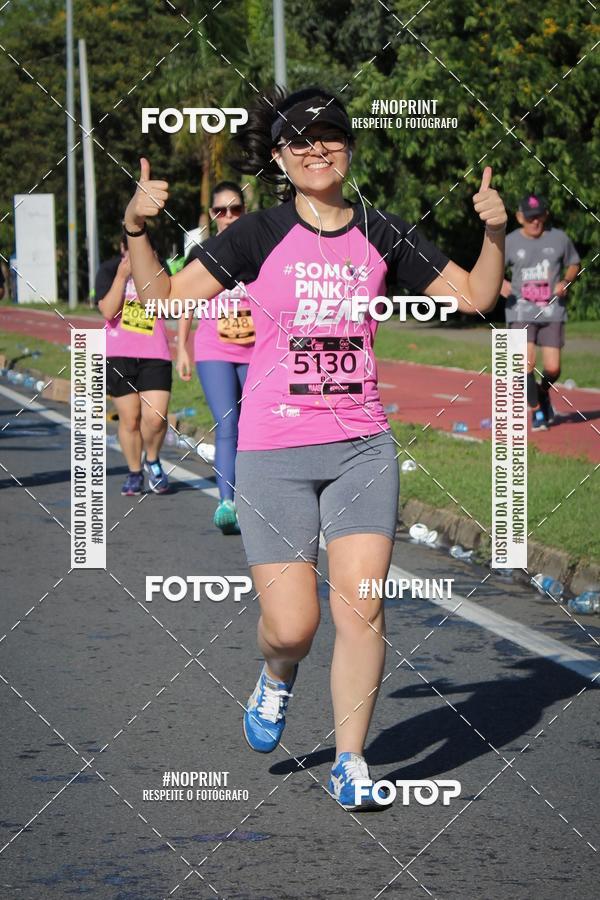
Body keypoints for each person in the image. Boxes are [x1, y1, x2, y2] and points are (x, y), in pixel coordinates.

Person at [123, 87, 506, 810]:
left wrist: (492, 234)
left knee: (361, 605)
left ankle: (351, 759)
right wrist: (137, 228)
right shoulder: (256, 234)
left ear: (349, 145)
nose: (316, 147)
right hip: (274, 452)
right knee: (292, 626)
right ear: (279, 157)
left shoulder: (379, 230)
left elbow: (475, 298)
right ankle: (276, 675)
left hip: (361, 446)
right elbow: (166, 298)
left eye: (330, 134)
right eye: (299, 139)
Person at [177, 182, 253, 534]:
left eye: (235, 209)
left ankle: (253, 498)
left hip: (257, 351)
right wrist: (181, 348)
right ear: (212, 215)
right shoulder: (202, 254)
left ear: (244, 211)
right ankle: (227, 502)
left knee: (255, 428)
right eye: (221, 211)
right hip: (214, 349)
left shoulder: (261, 251)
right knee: (227, 423)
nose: (229, 217)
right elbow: (186, 303)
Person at [95, 232, 172, 495]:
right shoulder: (108, 269)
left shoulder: (159, 269)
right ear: (122, 248)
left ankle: (152, 459)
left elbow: (170, 305)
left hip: (155, 352)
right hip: (119, 353)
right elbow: (107, 310)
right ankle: (134, 471)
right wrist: (122, 275)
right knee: (129, 419)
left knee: (156, 418)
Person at [501, 194, 581, 429]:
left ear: (545, 215)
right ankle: (536, 411)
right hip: (520, 310)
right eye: (529, 218)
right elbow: (492, 268)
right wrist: (500, 285)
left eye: (538, 217)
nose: (535, 222)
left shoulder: (559, 238)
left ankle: (541, 391)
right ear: (519, 217)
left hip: (552, 311)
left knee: (553, 368)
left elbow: (574, 263)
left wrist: (566, 282)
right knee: (526, 362)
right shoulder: (510, 241)